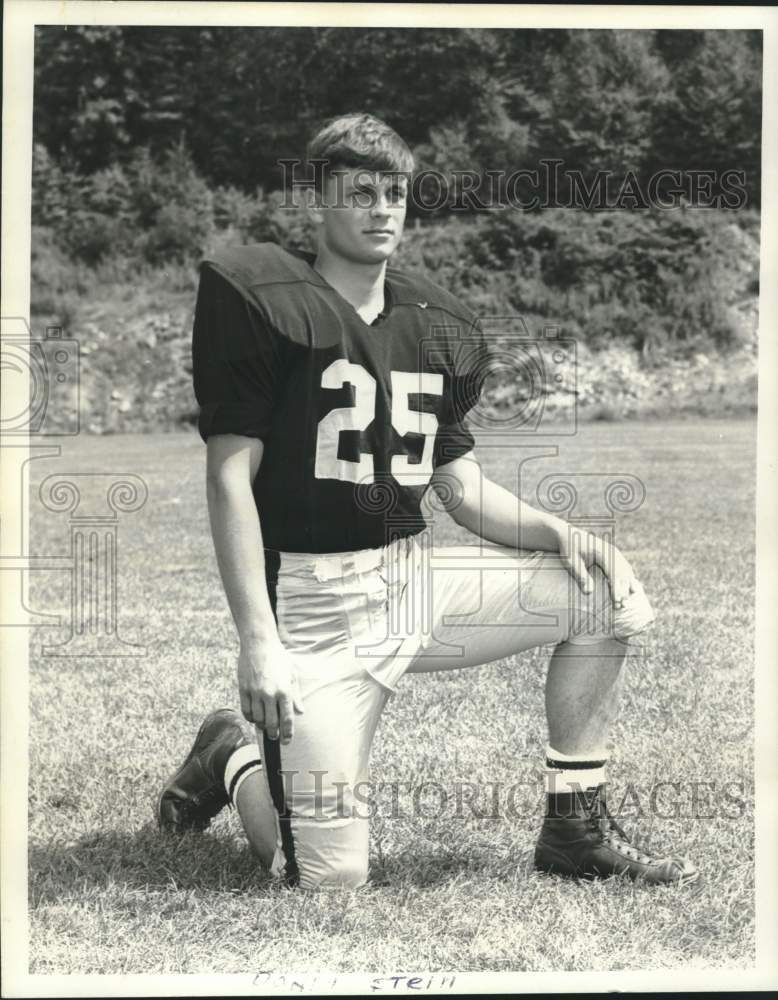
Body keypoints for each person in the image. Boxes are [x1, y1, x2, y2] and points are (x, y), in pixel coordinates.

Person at [157, 112, 698, 890]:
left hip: (413, 582)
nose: (383, 210)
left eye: (396, 194)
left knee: (606, 594)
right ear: (317, 200)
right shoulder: (264, 299)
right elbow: (228, 478)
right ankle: (230, 754)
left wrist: (563, 533)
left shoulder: (432, 323)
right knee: (324, 879)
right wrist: (258, 641)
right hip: (316, 610)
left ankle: (574, 829)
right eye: (361, 193)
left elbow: (464, 489)